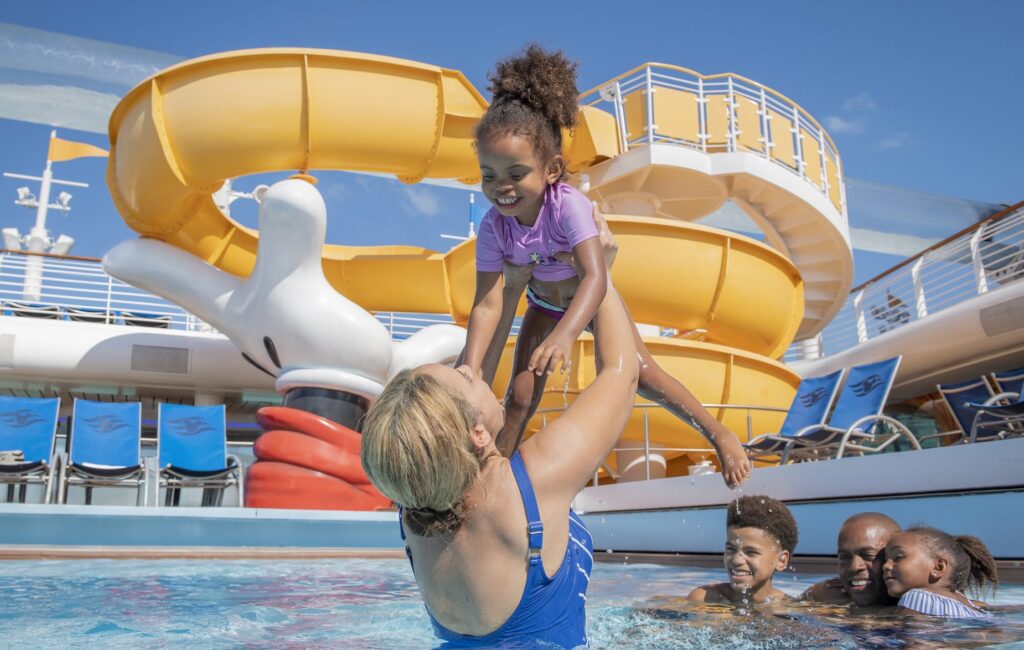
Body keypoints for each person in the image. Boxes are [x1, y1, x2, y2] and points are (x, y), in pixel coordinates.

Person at [460, 43, 751, 488]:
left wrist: (566, 335)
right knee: (520, 395)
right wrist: (469, 369)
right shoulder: (493, 228)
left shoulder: (568, 208)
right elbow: (487, 306)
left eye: (516, 174)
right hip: (543, 302)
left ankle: (718, 432)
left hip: (588, 300)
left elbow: (596, 276)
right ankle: (492, 480)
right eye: (488, 175)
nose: (501, 187)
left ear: (552, 169)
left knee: (646, 373)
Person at [360, 249, 639, 647]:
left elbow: (459, 398)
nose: (469, 367)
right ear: (477, 435)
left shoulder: (415, 499)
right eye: (463, 376)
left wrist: (511, 286)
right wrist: (596, 267)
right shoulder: (537, 482)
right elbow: (621, 374)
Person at [686, 495, 799, 606]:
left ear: (781, 560)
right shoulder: (707, 598)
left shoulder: (790, 608)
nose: (736, 560)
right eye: (731, 549)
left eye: (751, 552)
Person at [883, 526, 998, 618]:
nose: (885, 566)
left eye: (898, 557)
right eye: (885, 560)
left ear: (938, 567)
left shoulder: (918, 597)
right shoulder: (971, 605)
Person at [801, 512, 901, 607]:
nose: (854, 567)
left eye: (868, 555)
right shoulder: (829, 598)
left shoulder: (913, 603)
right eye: (844, 557)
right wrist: (811, 594)